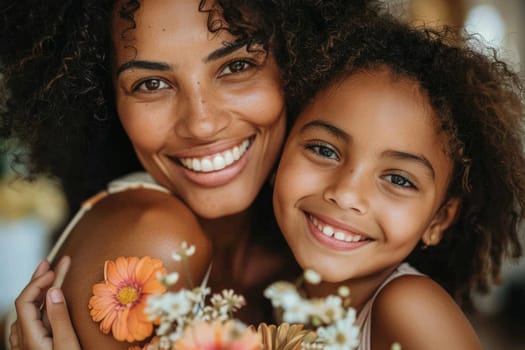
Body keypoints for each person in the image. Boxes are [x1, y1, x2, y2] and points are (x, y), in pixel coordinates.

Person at [0, 0, 379, 349]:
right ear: (104, 99)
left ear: (296, 64)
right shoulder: (154, 239)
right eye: (152, 83)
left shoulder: (322, 238)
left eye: (236, 66)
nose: (201, 124)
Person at [272, 13, 525, 350]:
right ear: (281, 147)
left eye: (398, 179)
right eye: (323, 150)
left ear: (438, 220)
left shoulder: (409, 306)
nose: (346, 194)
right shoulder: (282, 293)